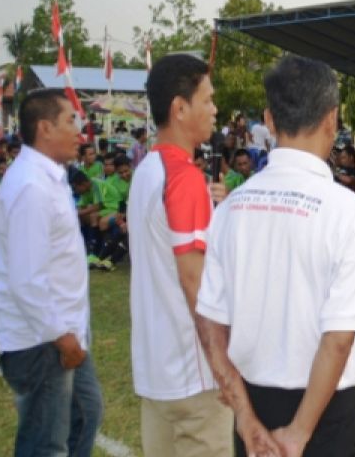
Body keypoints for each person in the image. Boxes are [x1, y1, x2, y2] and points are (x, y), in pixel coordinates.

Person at [196, 56, 355, 457]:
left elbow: (210, 324)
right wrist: (298, 433)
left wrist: (245, 419)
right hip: (325, 414)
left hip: (254, 403)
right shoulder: (346, 211)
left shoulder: (231, 209)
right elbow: (338, 340)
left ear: (269, 121)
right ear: (332, 119)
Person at [127, 53, 232, 456]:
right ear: (180, 108)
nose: (214, 109)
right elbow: (195, 281)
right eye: (208, 99)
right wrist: (223, 365)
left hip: (157, 373)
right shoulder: (183, 178)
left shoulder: (148, 172)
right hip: (195, 381)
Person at [0, 89, 104, 455]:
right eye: (70, 120)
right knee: (46, 444)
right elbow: (27, 279)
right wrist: (60, 335)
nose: (80, 130)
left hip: (63, 332)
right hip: (43, 341)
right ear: (44, 128)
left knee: (85, 414)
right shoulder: (31, 186)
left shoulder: (49, 178)